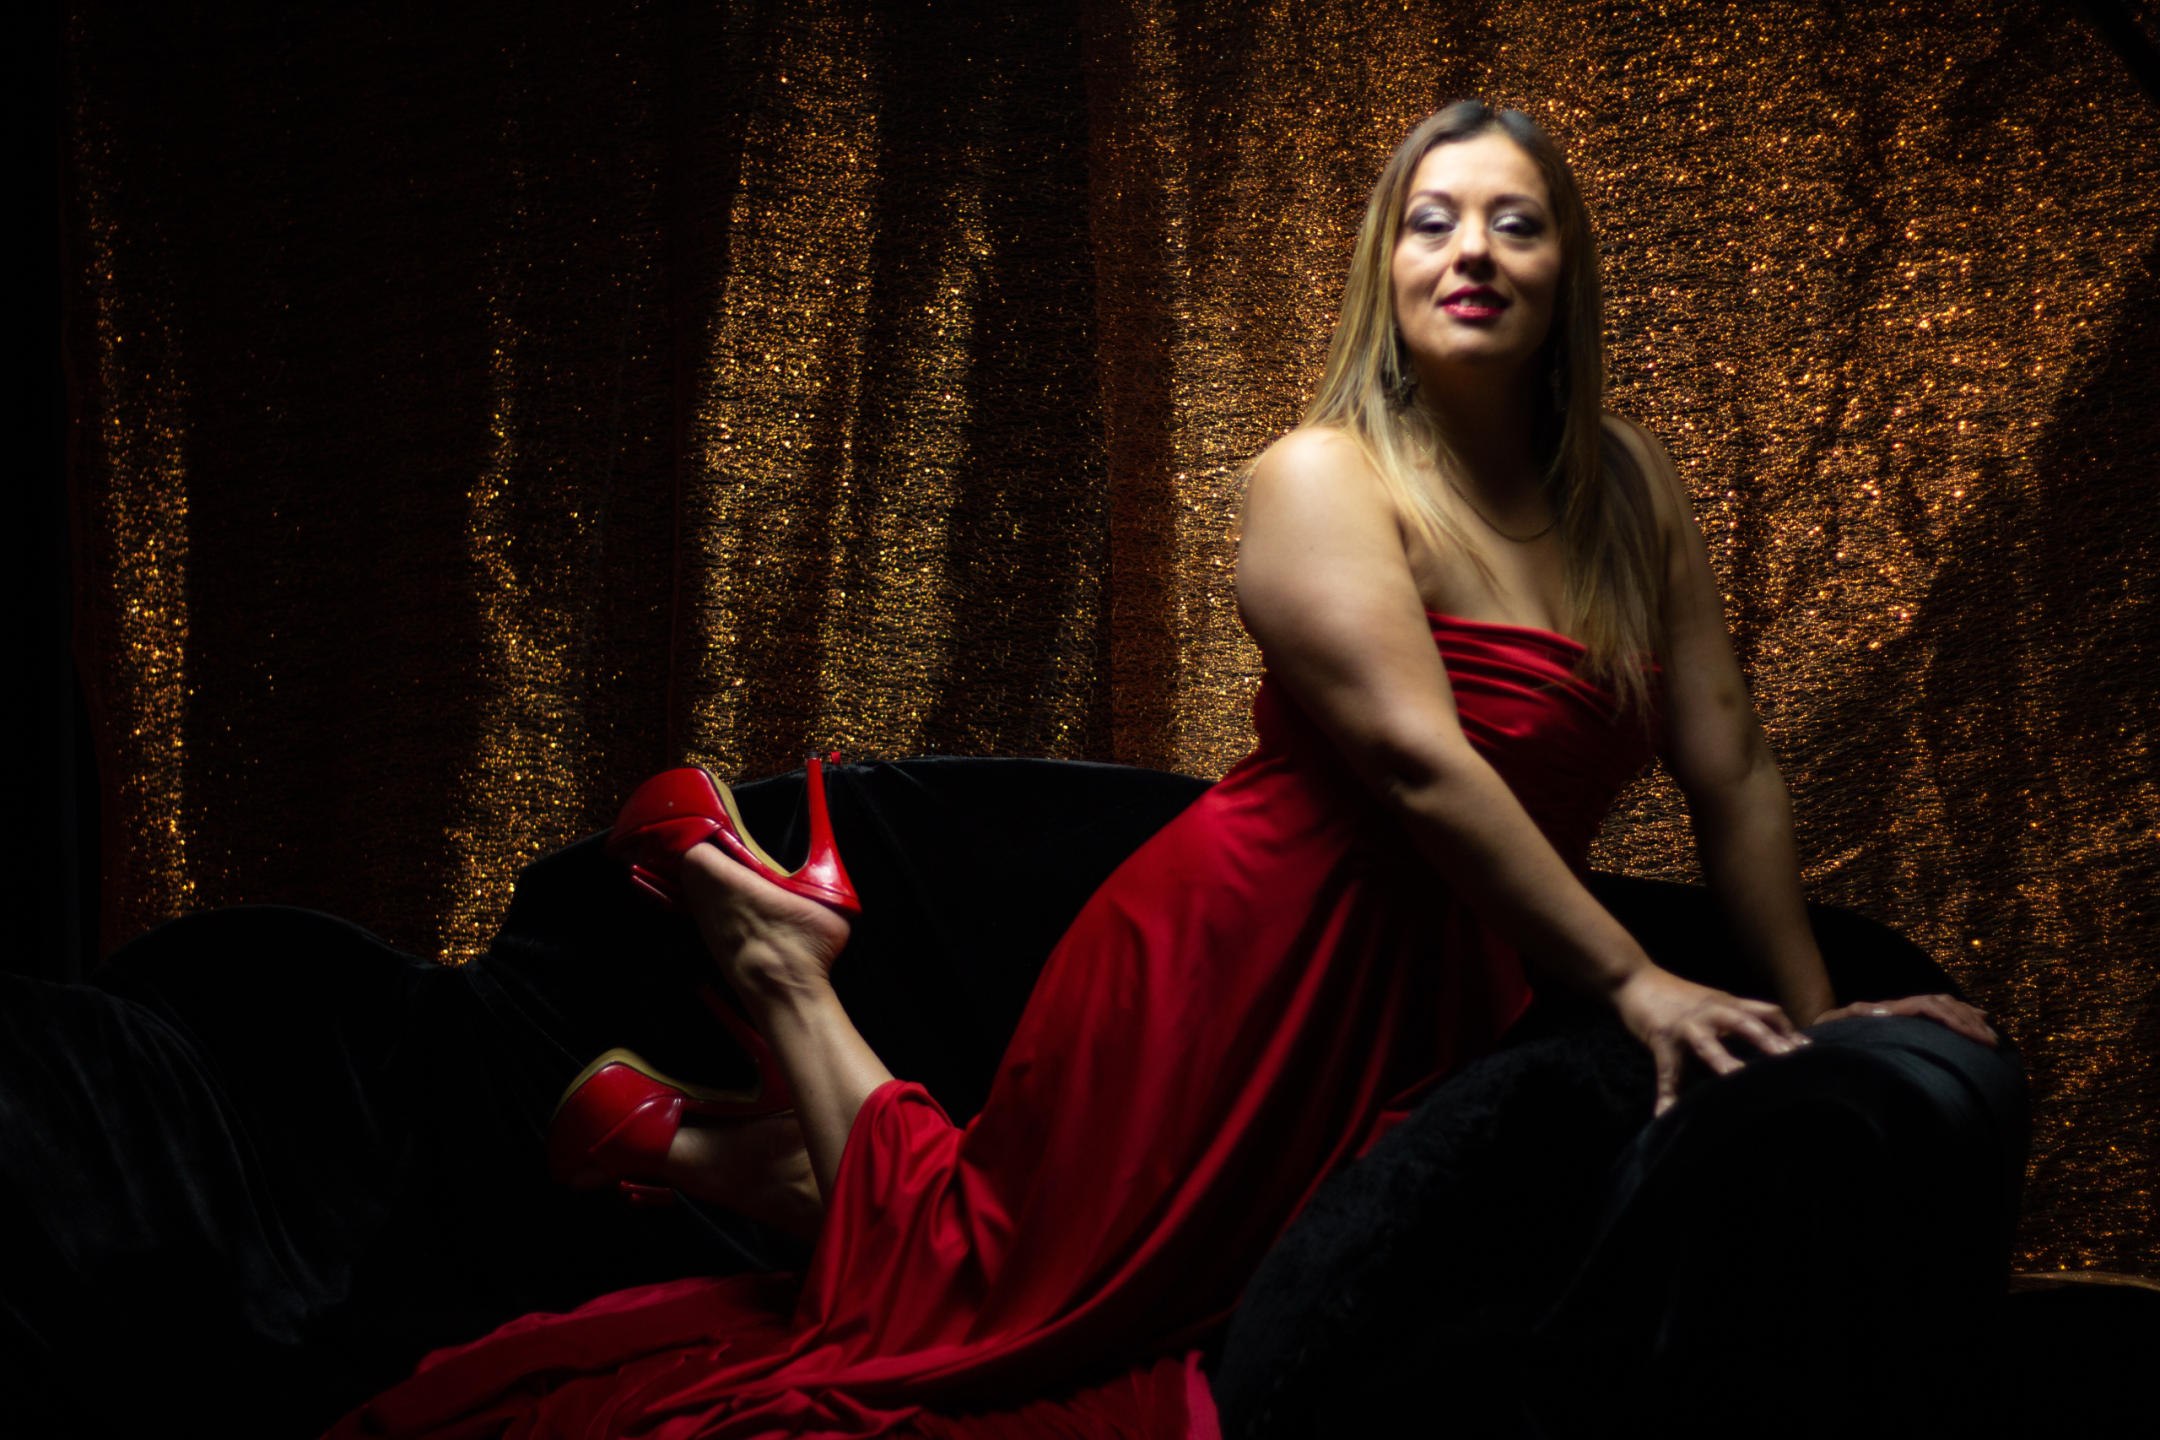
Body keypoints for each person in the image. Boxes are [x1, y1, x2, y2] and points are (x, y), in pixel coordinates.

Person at [331, 100, 1997, 1439]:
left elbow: (1735, 769)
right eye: (1432, 220)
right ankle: (778, 963)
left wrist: (1815, 1018)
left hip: (1446, 981)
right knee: (1007, 1294)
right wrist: (1634, 984)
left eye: (1517, 220)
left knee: (1154, 1278)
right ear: (1386, 270)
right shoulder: (1320, 475)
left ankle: (678, 1142)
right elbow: (1418, 764)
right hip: (1237, 954)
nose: (1472, 251)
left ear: (1571, 269)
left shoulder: (1632, 490)